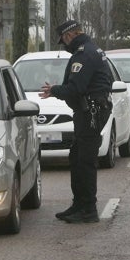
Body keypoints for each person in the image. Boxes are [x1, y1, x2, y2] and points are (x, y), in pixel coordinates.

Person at [39, 20, 113, 223]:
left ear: (69, 35)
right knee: (77, 157)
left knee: (85, 162)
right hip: (89, 110)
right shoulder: (91, 49)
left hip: (91, 112)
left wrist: (54, 90)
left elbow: (76, 88)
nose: (64, 45)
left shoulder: (84, 53)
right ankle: (79, 204)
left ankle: (88, 209)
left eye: (63, 41)